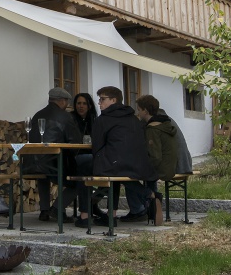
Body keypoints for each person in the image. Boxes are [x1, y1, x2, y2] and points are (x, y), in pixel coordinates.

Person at [91, 86, 157, 223]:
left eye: (102, 99)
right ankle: (149, 195)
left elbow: (96, 146)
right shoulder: (133, 119)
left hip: (115, 164)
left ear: (114, 100)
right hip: (139, 164)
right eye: (99, 99)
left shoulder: (102, 120)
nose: (99, 103)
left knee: (84, 166)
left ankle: (87, 210)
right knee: (118, 173)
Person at [22, 87, 84, 223]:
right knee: (80, 181)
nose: (67, 105)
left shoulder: (37, 115)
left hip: (32, 163)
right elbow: (75, 142)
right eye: (67, 102)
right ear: (62, 101)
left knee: (43, 176)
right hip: (55, 163)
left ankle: (44, 210)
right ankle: (56, 208)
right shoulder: (65, 117)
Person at [136, 95, 178, 225]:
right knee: (146, 173)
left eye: (139, 109)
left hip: (162, 168)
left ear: (145, 111)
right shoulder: (165, 124)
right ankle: (153, 209)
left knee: (128, 179)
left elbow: (155, 156)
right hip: (171, 166)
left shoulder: (152, 129)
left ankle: (153, 197)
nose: (137, 112)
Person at [70, 92, 107, 227]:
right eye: (78, 103)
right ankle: (88, 208)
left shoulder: (95, 120)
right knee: (84, 170)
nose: (81, 106)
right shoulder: (71, 119)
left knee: (110, 171)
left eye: (84, 103)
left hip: (93, 156)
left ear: (90, 105)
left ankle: (92, 204)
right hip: (75, 157)